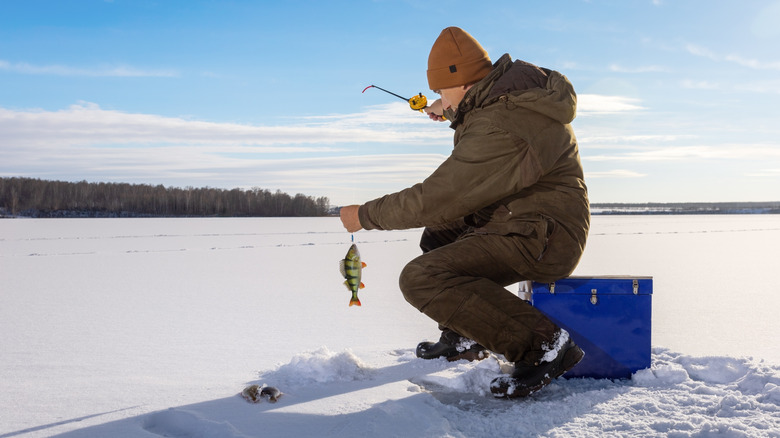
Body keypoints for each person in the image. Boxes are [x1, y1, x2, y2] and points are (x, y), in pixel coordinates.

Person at [339, 26, 590, 398]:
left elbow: (440, 196)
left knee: (422, 278)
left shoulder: (503, 124)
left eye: (441, 90)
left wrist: (365, 215)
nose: (437, 98)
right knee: (439, 234)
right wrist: (456, 109)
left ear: (464, 83)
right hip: (528, 221)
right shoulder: (509, 101)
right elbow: (480, 144)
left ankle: (543, 346)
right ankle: (464, 335)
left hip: (542, 237)